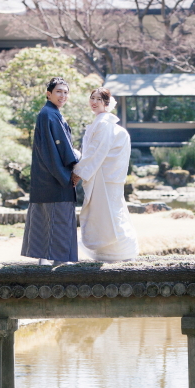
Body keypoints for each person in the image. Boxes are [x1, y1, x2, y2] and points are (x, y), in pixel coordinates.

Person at [72, 87, 138, 261]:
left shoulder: (103, 123)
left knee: (108, 213)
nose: (94, 102)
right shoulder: (103, 122)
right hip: (109, 178)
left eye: (99, 99)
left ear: (107, 104)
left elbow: (96, 151)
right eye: (92, 98)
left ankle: (115, 252)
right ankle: (113, 251)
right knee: (110, 213)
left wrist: (78, 173)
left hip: (105, 178)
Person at [21, 77, 80, 265]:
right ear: (49, 94)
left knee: (45, 221)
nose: (62, 95)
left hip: (45, 178)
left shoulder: (50, 113)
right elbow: (60, 150)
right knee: (58, 220)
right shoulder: (49, 114)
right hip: (55, 178)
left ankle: (44, 262)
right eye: (58, 91)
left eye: (65, 92)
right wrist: (75, 161)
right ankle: (59, 263)